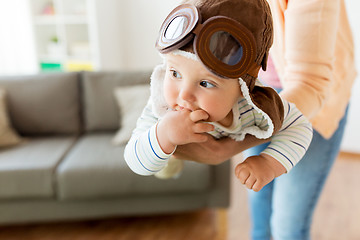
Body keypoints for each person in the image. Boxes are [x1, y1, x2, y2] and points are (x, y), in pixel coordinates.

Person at [173, 0, 357, 239]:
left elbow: (310, 83)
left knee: (287, 225)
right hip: (254, 92)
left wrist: (233, 144)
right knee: (259, 202)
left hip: (313, 101)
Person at [124, 0, 313, 192]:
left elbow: (300, 126)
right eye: (175, 73)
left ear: (242, 89)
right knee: (163, 167)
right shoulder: (163, 104)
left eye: (205, 83)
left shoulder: (256, 105)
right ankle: (169, 162)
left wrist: (268, 163)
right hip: (171, 154)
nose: (184, 95)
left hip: (236, 132)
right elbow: (134, 160)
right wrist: (164, 134)